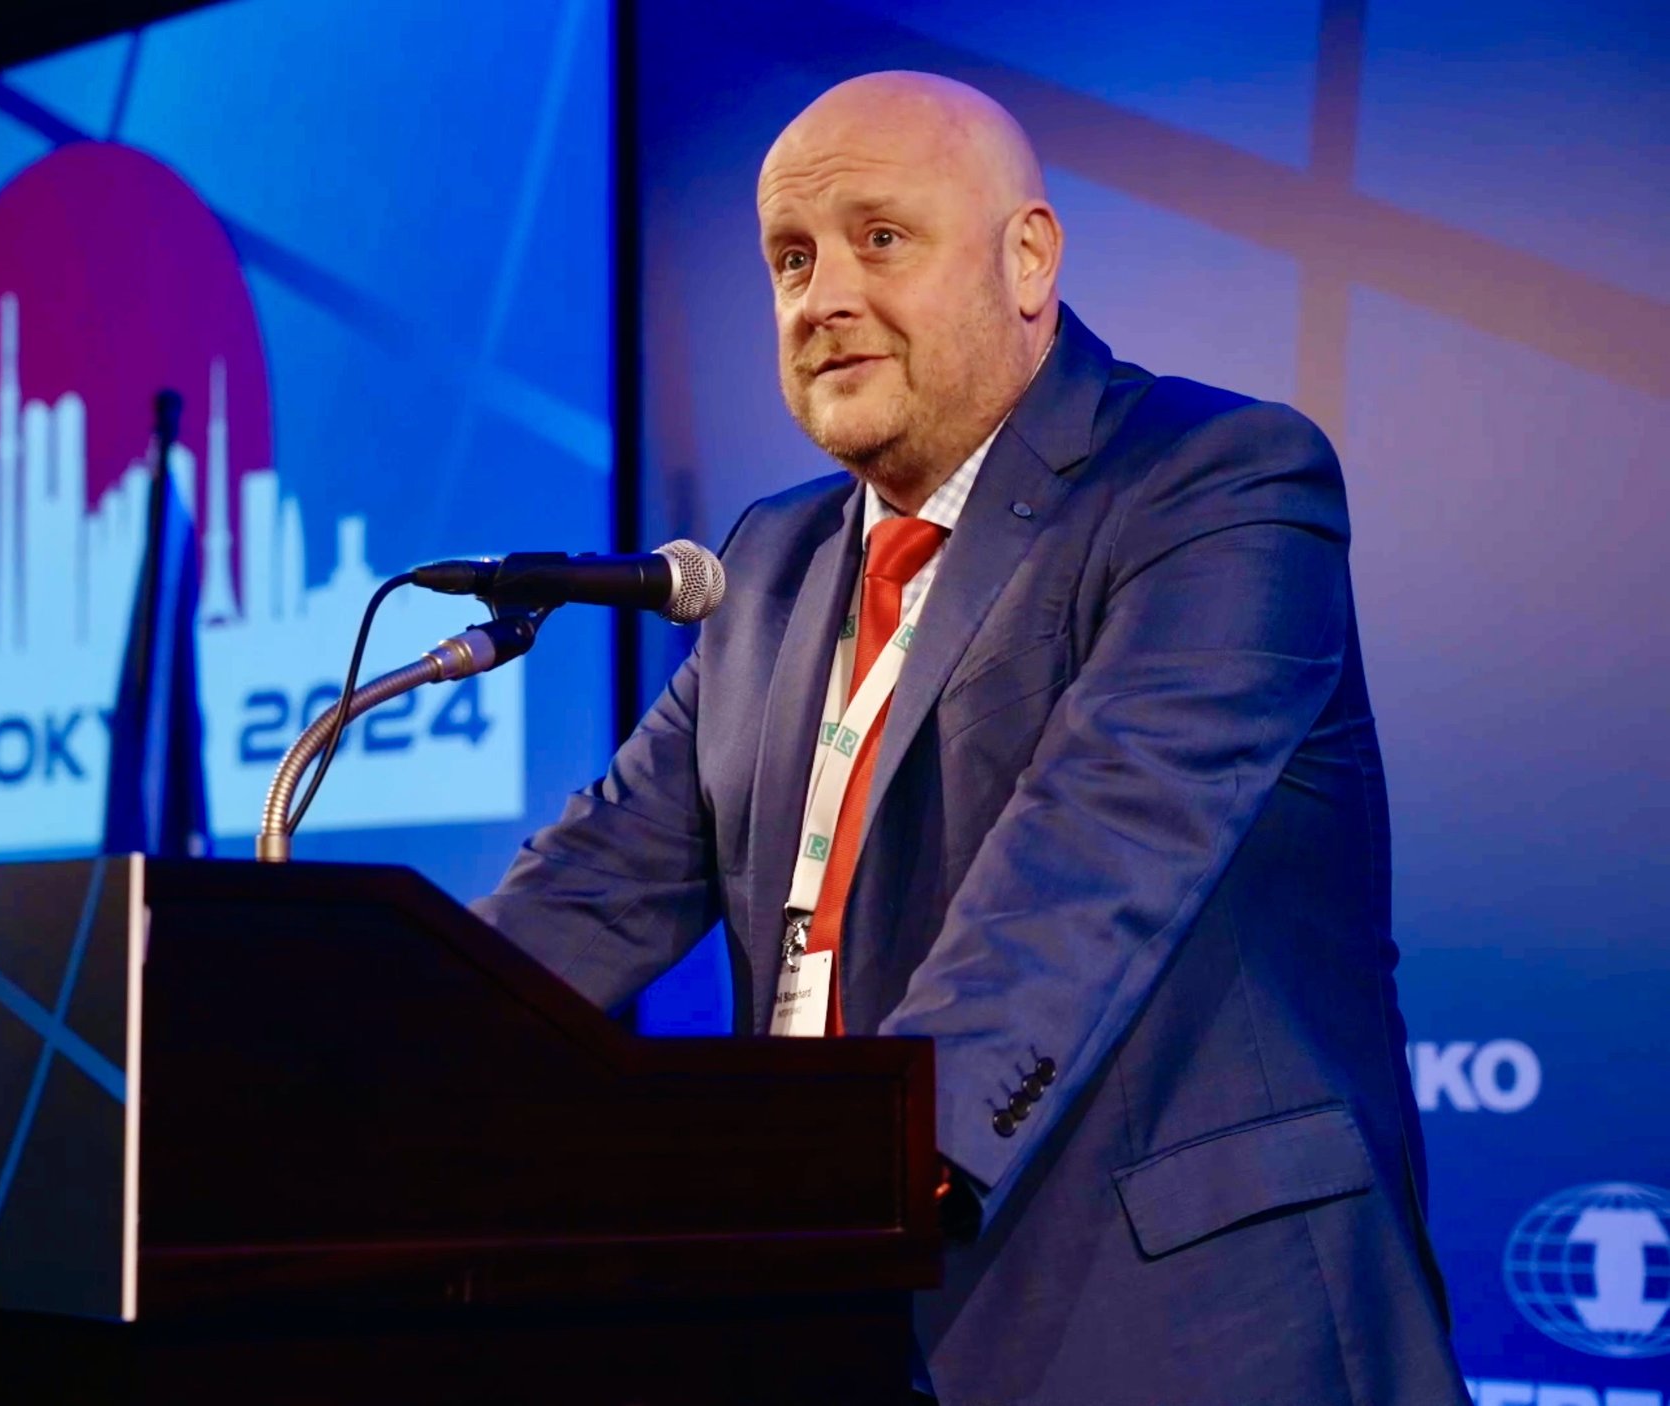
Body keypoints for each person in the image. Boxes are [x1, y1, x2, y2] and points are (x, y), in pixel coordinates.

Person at [474, 71, 1466, 1404]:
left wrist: (848, 1167)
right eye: (791, 259)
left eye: (880, 238)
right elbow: (597, 881)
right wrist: (345, 1071)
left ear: (1028, 258)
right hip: (836, 1311)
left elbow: (1090, 862)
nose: (822, 296)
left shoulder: (1217, 482)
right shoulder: (766, 565)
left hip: (1186, 1331)